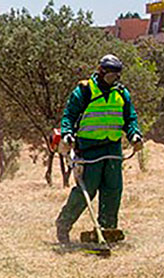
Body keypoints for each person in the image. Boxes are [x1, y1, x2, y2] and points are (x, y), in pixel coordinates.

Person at [56, 54, 143, 244]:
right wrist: (67, 133)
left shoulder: (121, 93)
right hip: (89, 150)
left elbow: (130, 119)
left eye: (116, 76)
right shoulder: (84, 91)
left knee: (113, 190)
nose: (114, 79)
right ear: (101, 71)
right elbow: (69, 116)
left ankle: (107, 230)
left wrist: (134, 135)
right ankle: (63, 225)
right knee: (87, 190)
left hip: (112, 148)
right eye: (110, 75)